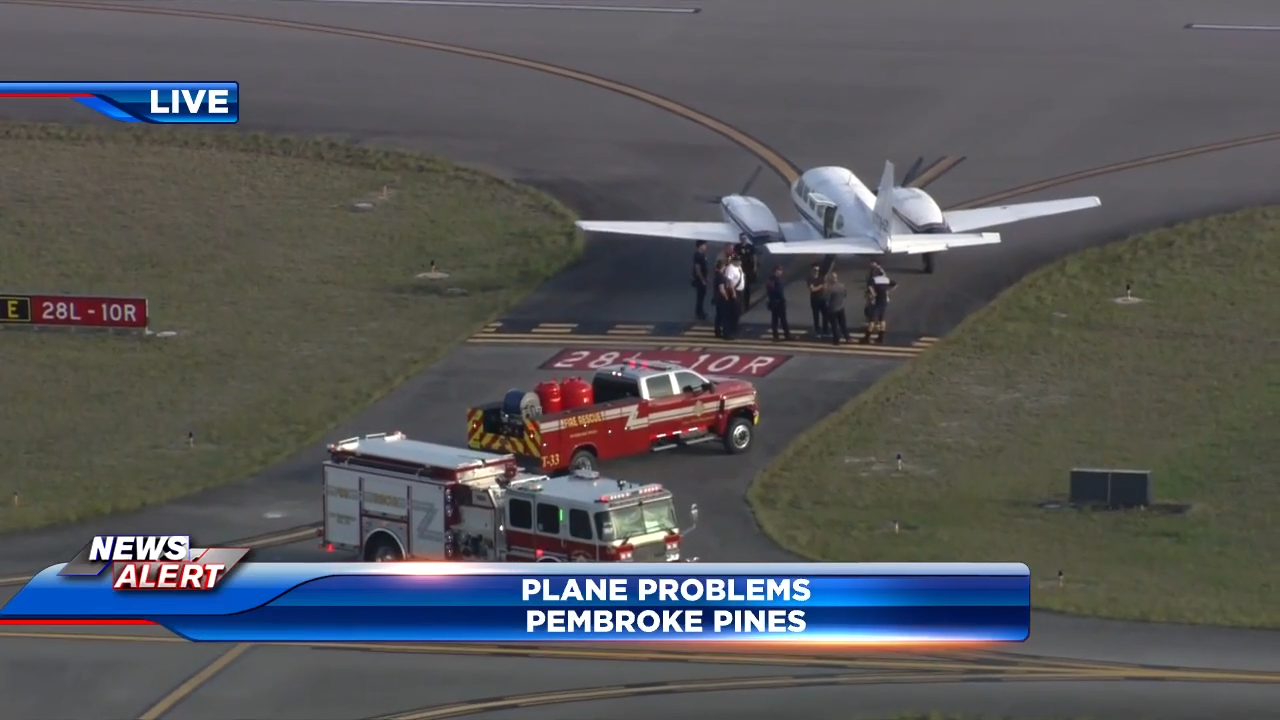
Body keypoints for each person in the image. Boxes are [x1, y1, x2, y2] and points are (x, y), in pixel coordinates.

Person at [862, 267, 898, 344]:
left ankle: (867, 337)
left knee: (872, 320)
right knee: (882, 319)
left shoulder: (874, 280)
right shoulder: (886, 279)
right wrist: (888, 291)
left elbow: (869, 286)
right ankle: (881, 337)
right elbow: (895, 284)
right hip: (884, 301)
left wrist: (873, 293)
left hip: (877, 301)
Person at [764, 265, 793, 341]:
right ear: (774, 271)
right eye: (778, 271)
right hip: (776, 302)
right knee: (776, 320)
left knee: (782, 319)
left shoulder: (777, 279)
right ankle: (777, 336)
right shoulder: (772, 280)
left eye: (780, 271)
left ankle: (786, 335)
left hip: (778, 301)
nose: (780, 272)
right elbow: (773, 291)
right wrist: (780, 299)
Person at [825, 271, 852, 345]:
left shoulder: (829, 288)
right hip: (841, 307)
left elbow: (827, 299)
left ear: (830, 279)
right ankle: (847, 337)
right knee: (843, 324)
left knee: (834, 325)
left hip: (832, 309)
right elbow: (845, 295)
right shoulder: (842, 286)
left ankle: (836, 340)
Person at [723, 254, 745, 338]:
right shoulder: (730, 268)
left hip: (739, 292)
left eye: (740, 260)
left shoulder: (739, 267)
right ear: (733, 261)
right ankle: (729, 332)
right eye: (737, 260)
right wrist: (733, 292)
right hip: (734, 292)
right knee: (732, 313)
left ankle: (734, 330)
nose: (739, 262)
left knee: (737, 312)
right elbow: (729, 281)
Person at [734, 234, 758, 309]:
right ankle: (738, 303)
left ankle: (746, 304)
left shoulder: (750, 247)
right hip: (739, 269)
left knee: (747, 287)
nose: (743, 240)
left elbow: (754, 257)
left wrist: (755, 267)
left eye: (744, 238)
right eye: (742, 238)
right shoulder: (737, 247)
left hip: (748, 269)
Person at [807, 263, 829, 337]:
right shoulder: (810, 278)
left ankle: (825, 330)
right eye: (815, 270)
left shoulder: (821, 277)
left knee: (825, 315)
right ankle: (818, 331)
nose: (817, 271)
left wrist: (821, 287)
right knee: (816, 316)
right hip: (815, 300)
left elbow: (825, 286)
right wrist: (820, 286)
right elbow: (812, 289)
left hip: (822, 298)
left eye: (818, 270)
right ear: (812, 270)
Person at [691, 241, 709, 321]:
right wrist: (702, 280)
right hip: (699, 279)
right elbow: (697, 269)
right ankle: (699, 313)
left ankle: (700, 312)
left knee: (702, 296)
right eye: (704, 245)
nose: (706, 246)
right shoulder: (697, 256)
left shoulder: (702, 255)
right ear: (700, 246)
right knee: (700, 297)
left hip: (703, 278)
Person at [712, 259, 731, 339]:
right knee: (725, 317)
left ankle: (717, 331)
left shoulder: (716, 275)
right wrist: (726, 297)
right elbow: (721, 289)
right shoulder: (720, 277)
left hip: (717, 298)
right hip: (721, 299)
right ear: (722, 267)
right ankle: (726, 333)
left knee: (719, 316)